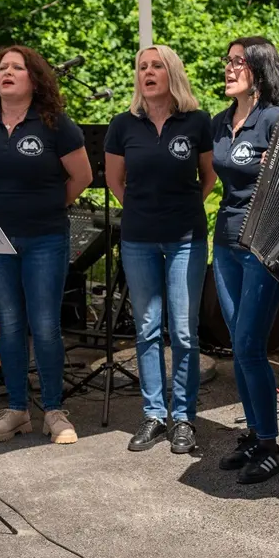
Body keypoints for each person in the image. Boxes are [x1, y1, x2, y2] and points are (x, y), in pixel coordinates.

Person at [0, 45, 92, 446]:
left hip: (45, 238)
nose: (7, 72)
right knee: (10, 322)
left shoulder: (56, 124)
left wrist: (48, 205)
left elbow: (82, 176)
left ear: (35, 78)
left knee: (45, 325)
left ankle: (53, 411)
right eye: (2, 67)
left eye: (17, 67)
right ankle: (17, 410)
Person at [106, 45, 215, 456]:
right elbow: (115, 181)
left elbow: (208, 177)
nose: (148, 72)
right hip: (138, 239)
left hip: (186, 237)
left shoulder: (197, 121)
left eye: (156, 66)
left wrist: (181, 209)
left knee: (184, 331)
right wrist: (141, 210)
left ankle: (184, 417)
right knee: (147, 327)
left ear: (172, 73)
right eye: (142, 67)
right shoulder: (123, 125)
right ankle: (154, 414)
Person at [209, 37, 279, 483]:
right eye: (228, 61)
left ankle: (270, 445)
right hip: (224, 243)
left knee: (248, 346)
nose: (229, 68)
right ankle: (256, 435)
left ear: (258, 70)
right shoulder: (221, 122)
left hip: (262, 246)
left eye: (238, 62)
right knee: (237, 347)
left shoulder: (275, 119)